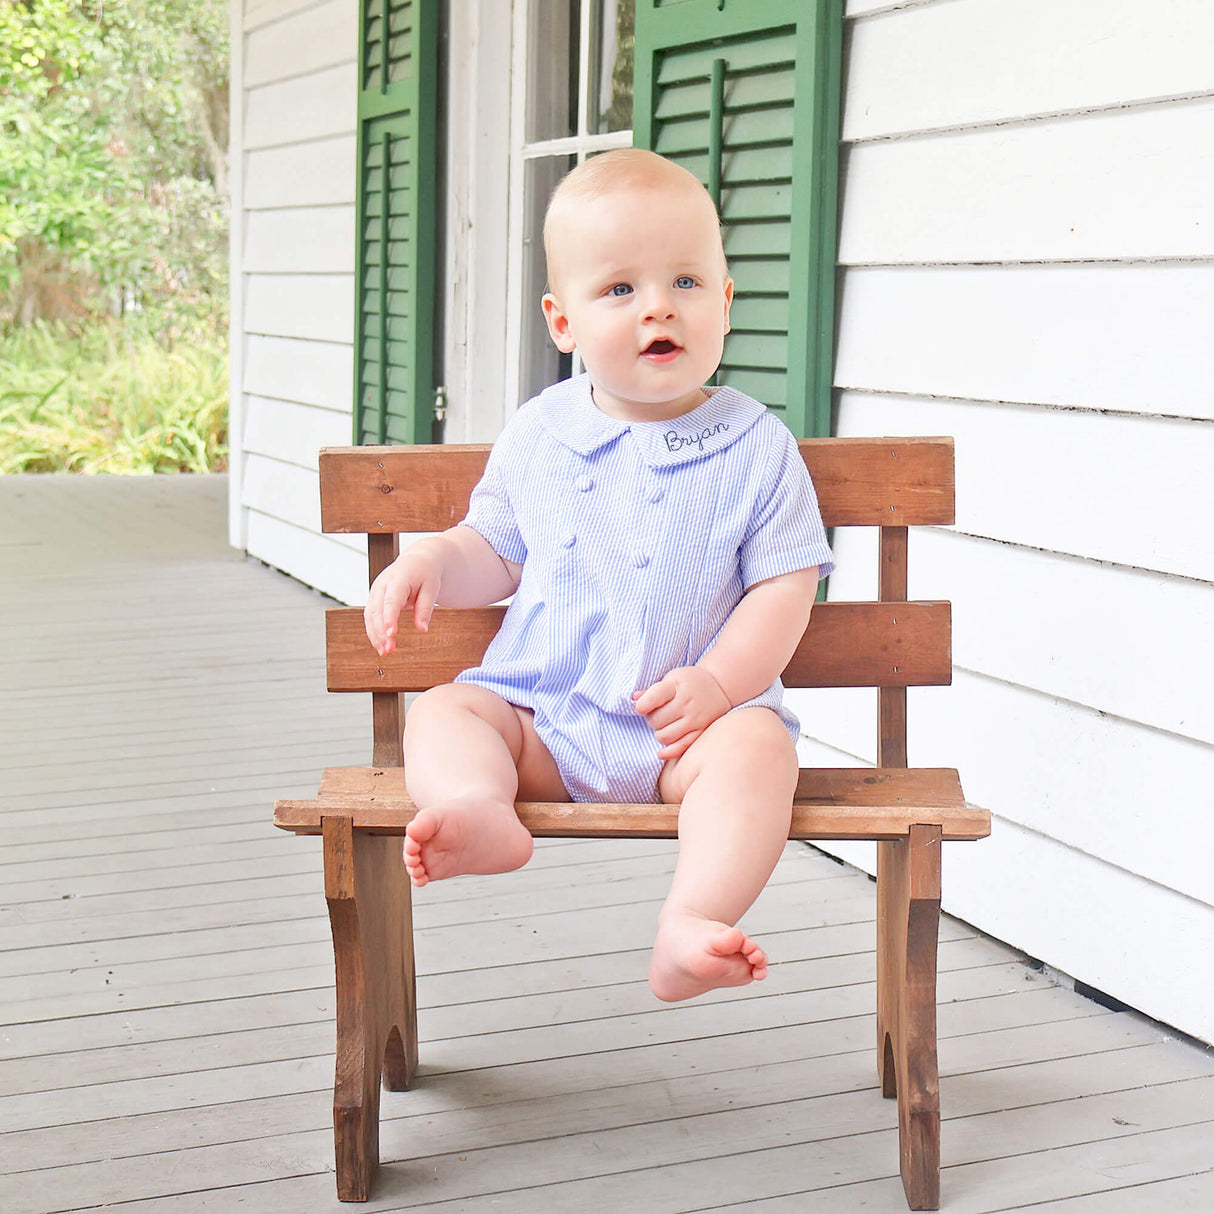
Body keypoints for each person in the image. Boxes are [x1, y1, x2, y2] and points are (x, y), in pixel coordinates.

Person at [364, 148, 834, 1002]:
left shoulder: (757, 447)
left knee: (761, 752)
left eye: (687, 282)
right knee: (448, 710)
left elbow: (785, 586)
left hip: (684, 738)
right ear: (562, 321)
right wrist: (433, 558)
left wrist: (723, 687)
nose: (659, 305)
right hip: (545, 721)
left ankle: (691, 918)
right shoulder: (540, 433)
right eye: (620, 289)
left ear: (725, 302)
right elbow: (495, 546)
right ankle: (478, 807)